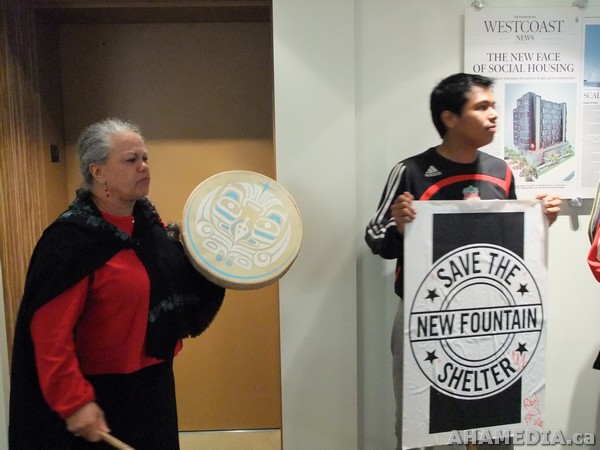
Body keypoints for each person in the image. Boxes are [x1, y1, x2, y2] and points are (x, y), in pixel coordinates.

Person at [364, 73, 561, 450]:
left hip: (493, 316)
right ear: (450, 117)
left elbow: (509, 242)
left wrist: (540, 220)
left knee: (497, 417)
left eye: (494, 106)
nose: (494, 115)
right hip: (426, 319)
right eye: (482, 107)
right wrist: (400, 227)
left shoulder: (502, 171)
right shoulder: (412, 171)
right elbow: (375, 237)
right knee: (424, 422)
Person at [9, 118, 226, 449]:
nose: (144, 166)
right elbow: (50, 333)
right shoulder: (70, 241)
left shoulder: (149, 227)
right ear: (98, 172)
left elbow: (179, 280)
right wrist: (75, 402)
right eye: (131, 160)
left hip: (154, 384)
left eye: (145, 158)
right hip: (101, 396)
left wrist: (224, 260)